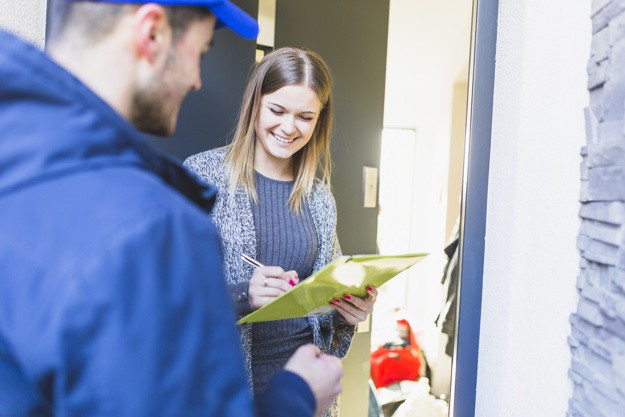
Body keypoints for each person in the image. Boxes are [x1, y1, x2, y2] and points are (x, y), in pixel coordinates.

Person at [0, 1, 343, 416]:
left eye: (305, 116)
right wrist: (296, 396)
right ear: (152, 33)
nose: (198, 81)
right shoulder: (151, 224)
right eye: (199, 52)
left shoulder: (23, 163)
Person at [184, 46, 378, 416]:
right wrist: (243, 295)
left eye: (305, 117)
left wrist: (346, 311)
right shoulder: (203, 177)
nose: (289, 128)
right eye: (277, 111)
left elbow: (322, 312)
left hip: (306, 398)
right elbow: (166, 296)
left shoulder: (320, 198)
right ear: (254, 104)